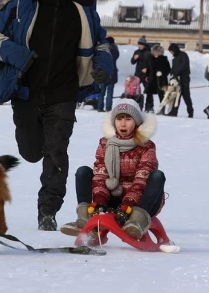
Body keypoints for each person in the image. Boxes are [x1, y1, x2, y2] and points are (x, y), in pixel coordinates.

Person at [0, 0, 113, 231]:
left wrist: (104, 64)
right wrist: (17, 55)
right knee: (30, 152)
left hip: (63, 93)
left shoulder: (83, 9)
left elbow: (102, 43)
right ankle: (39, 147)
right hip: (26, 92)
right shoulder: (21, 6)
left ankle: (48, 211)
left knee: (57, 152)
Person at [60, 98, 165, 241]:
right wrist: (99, 200)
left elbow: (142, 178)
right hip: (113, 198)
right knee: (83, 171)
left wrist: (128, 205)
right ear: (114, 121)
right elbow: (100, 173)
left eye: (128, 119)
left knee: (157, 176)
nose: (123, 123)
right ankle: (84, 219)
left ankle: (137, 221)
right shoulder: (105, 143)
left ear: (136, 122)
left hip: (140, 202)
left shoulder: (146, 146)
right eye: (119, 118)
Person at [167, 43, 194, 118]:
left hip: (184, 78)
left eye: (171, 51)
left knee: (186, 95)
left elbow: (184, 65)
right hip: (176, 79)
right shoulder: (174, 59)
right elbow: (173, 68)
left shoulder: (183, 55)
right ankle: (173, 112)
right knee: (176, 96)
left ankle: (190, 111)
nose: (171, 53)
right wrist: (172, 73)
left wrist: (176, 72)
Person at [131, 36, 154, 113]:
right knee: (134, 90)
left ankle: (149, 107)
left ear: (144, 45)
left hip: (146, 75)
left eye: (141, 44)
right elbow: (132, 62)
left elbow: (152, 64)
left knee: (148, 91)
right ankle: (135, 105)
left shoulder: (149, 52)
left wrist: (147, 69)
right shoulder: (137, 52)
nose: (139, 46)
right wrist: (134, 58)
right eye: (139, 44)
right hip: (137, 74)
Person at [97, 36, 120, 112]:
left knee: (101, 92)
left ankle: (99, 107)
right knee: (110, 92)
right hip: (112, 73)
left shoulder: (102, 49)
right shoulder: (115, 50)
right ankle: (108, 108)